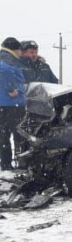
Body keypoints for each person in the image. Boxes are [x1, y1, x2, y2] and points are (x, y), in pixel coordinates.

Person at [0, 37, 27, 170]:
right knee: (18, 134)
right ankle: (17, 163)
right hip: (11, 104)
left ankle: (6, 164)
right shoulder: (7, 59)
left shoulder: (6, 57)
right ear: (14, 49)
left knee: (4, 135)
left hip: (6, 104)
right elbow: (4, 70)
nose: (21, 53)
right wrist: (11, 88)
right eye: (20, 50)